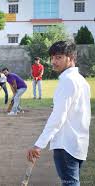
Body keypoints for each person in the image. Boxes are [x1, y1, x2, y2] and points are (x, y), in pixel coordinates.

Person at [27, 41, 91, 186]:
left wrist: (38, 145)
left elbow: (57, 118)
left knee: (70, 183)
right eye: (52, 58)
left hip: (66, 145)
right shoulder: (81, 80)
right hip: (78, 144)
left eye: (58, 57)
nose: (53, 62)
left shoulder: (68, 81)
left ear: (71, 57)